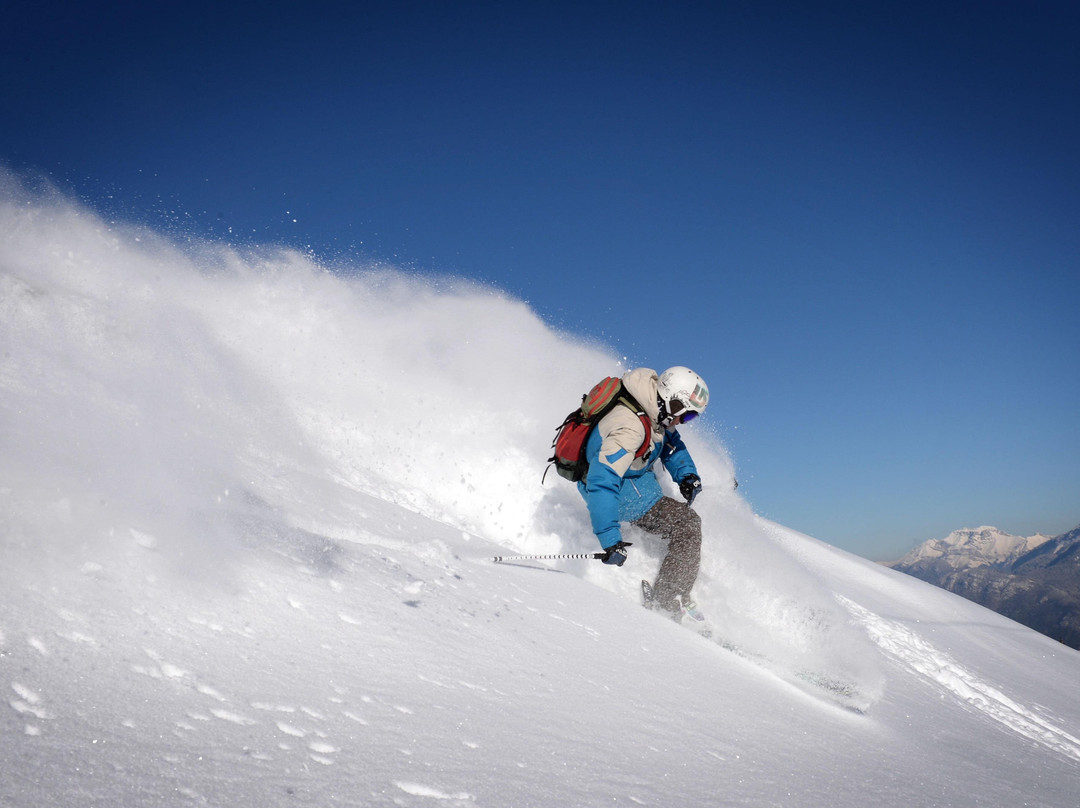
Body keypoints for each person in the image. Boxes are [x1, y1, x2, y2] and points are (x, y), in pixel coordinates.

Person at [578, 366, 710, 619]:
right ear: (673, 402)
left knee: (686, 523)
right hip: (623, 496)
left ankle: (672, 591)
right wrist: (610, 539)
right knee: (688, 525)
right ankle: (668, 601)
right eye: (688, 415)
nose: (684, 421)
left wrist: (687, 475)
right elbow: (602, 480)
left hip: (635, 483)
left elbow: (670, 442)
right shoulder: (629, 427)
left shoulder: (650, 406)